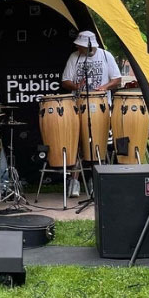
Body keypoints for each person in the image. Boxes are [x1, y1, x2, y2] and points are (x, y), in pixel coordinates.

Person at [58, 31, 122, 197]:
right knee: (78, 143)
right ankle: (75, 181)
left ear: (88, 46)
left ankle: (97, 180)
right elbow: (65, 81)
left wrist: (105, 87)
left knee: (99, 143)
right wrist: (76, 85)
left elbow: (117, 79)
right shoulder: (74, 57)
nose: (77, 47)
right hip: (77, 105)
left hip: (101, 105)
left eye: (80, 45)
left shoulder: (106, 56)